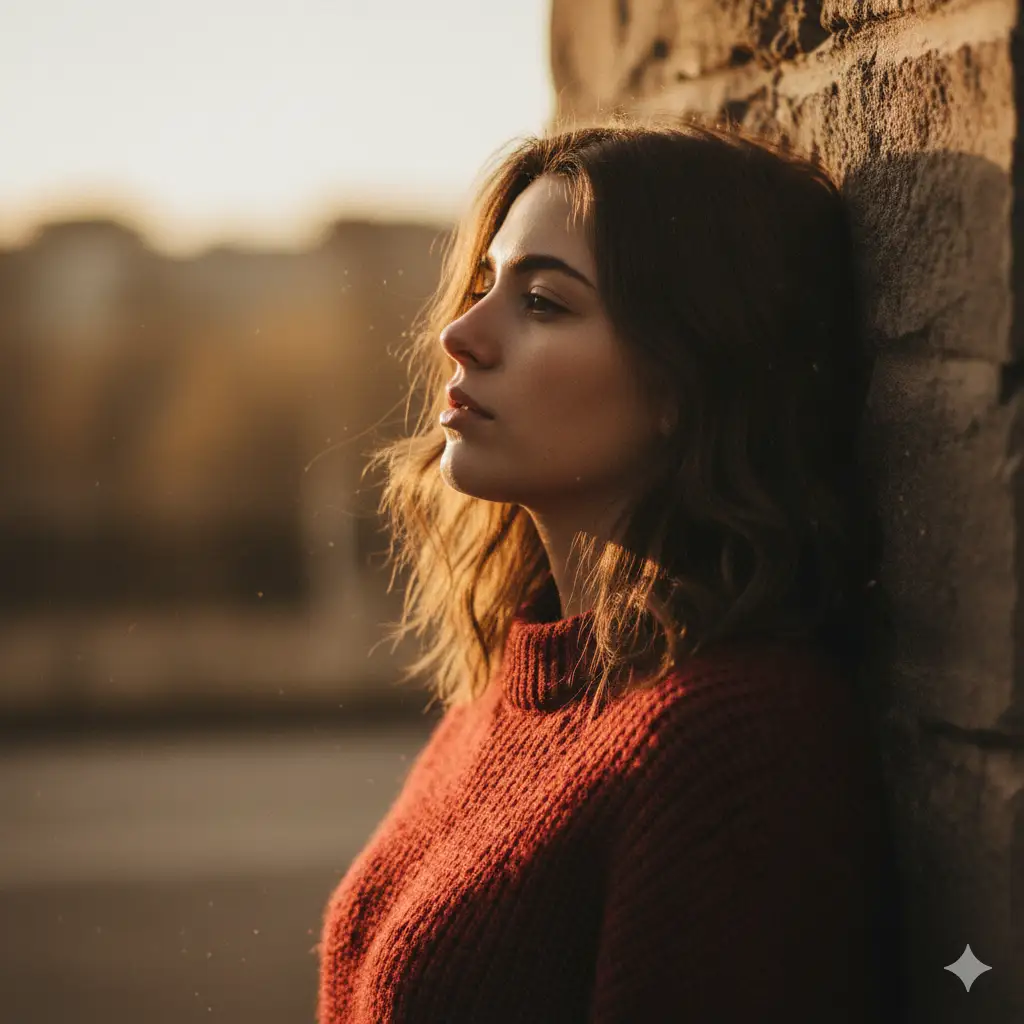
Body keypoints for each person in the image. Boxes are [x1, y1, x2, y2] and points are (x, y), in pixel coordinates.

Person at [315, 113, 900, 1022]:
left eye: (542, 302)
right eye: (483, 283)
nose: (460, 334)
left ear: (687, 379)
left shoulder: (732, 741)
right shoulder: (498, 705)